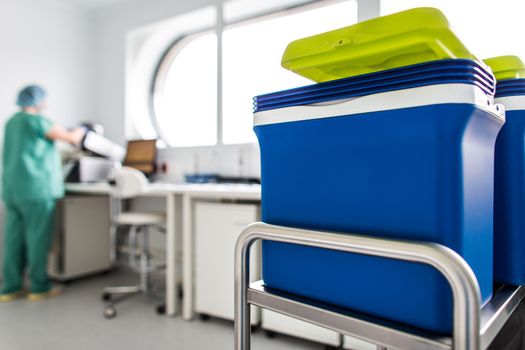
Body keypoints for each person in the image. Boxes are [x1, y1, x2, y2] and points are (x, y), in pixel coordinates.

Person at [0, 85, 85, 302]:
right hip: (36, 189)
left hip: (13, 189)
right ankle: (39, 287)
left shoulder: (11, 122)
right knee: (38, 239)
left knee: (14, 240)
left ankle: (10, 287)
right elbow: (71, 138)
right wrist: (82, 130)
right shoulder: (37, 121)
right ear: (38, 101)